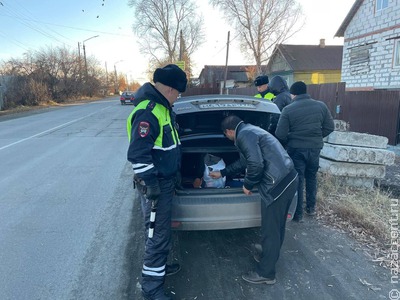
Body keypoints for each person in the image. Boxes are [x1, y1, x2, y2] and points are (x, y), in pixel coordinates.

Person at [209, 115, 298, 285]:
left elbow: (256, 165)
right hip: (289, 178)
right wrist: (223, 173)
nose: (227, 138)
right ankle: (268, 256)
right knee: (277, 227)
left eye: (226, 135)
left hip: (277, 185)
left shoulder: (244, 135)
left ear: (229, 131)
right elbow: (245, 162)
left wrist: (248, 185)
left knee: (270, 230)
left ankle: (266, 273)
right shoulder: (250, 130)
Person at [126, 64, 187, 300]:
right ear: (170, 89)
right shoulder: (149, 112)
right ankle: (152, 291)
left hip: (163, 182)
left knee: (157, 234)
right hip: (155, 186)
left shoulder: (162, 108)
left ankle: (157, 270)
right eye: (178, 93)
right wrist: (151, 184)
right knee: (157, 236)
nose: (178, 98)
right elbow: (138, 155)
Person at [275, 81, 334, 222]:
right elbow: (330, 127)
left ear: (293, 94)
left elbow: (280, 134)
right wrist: (316, 137)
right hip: (315, 149)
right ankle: (311, 208)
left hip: (296, 150)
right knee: (312, 177)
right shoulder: (321, 106)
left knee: (298, 180)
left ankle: (298, 214)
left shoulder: (288, 109)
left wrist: (290, 140)